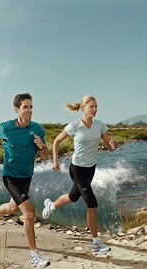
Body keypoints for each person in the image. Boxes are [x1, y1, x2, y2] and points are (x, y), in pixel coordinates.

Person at [0, 93, 51, 268]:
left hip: (27, 176)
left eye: (31, 107)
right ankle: (34, 256)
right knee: (29, 213)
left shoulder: (37, 129)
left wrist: (41, 146)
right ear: (17, 109)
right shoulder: (6, 127)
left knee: (12, 208)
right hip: (10, 176)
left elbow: (44, 155)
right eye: (25, 107)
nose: (29, 110)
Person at [42, 95, 117, 254]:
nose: (95, 109)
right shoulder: (74, 125)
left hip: (91, 168)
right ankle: (96, 242)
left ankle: (51, 206)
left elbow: (110, 147)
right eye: (92, 106)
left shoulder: (100, 125)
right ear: (83, 108)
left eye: (96, 106)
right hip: (77, 169)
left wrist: (112, 145)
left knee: (72, 196)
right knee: (92, 203)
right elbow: (56, 141)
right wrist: (55, 161)